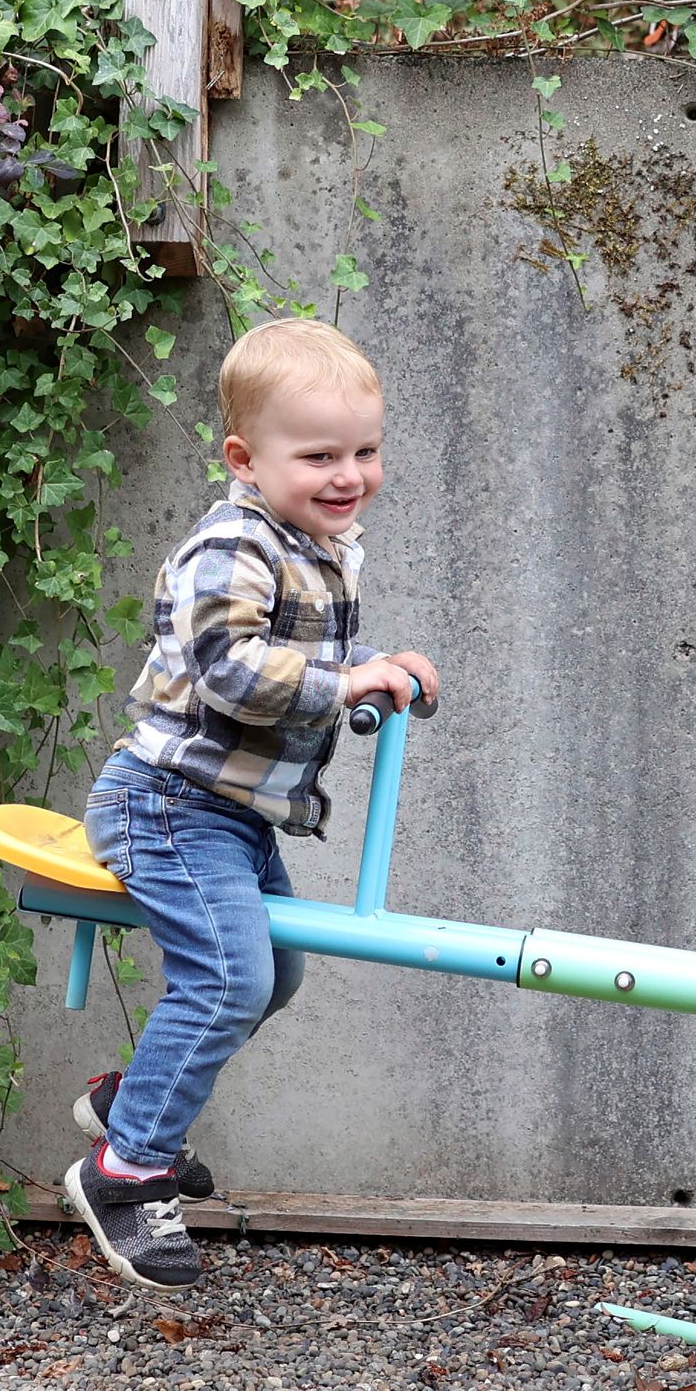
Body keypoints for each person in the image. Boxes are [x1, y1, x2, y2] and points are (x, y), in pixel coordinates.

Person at [63, 318, 439, 1288]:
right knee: (228, 978)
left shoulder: (314, 540)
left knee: (273, 977)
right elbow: (229, 666)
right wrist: (348, 678)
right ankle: (124, 1168)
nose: (347, 472)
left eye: (364, 450)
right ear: (245, 457)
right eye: (318, 454)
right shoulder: (232, 543)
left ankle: (130, 1101)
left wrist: (379, 668)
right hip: (166, 803)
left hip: (227, 812)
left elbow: (302, 660)